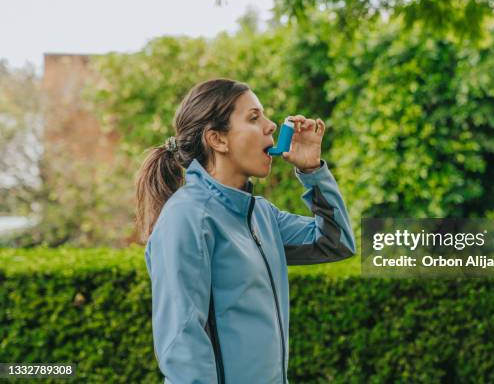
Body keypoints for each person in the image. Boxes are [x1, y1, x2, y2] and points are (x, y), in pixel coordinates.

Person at [136, 78, 356, 383]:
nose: (271, 126)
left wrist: (312, 171)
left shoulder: (262, 215)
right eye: (254, 118)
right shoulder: (188, 217)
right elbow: (182, 344)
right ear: (218, 139)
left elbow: (336, 242)